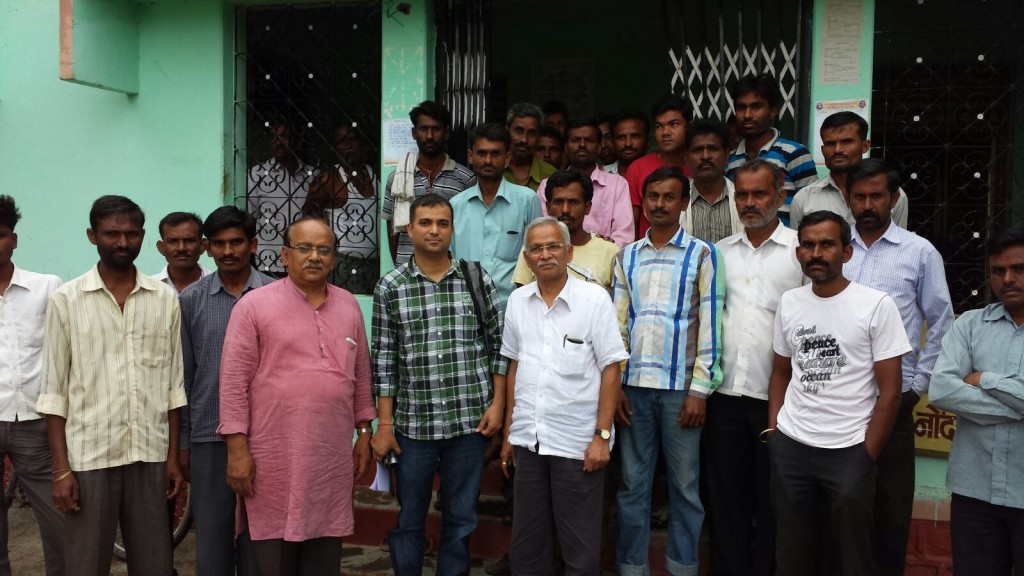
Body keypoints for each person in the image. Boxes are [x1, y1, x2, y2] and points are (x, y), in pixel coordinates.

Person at [38, 195, 187, 576]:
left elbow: (172, 387)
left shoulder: (164, 299)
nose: (122, 243)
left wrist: (172, 457)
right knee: (85, 564)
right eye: (112, 234)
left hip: (149, 455)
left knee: (154, 563)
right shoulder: (66, 300)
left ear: (142, 236)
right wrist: (60, 470)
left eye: (131, 234)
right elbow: (54, 392)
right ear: (92, 236)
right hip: (88, 457)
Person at [218, 216, 376, 576]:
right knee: (273, 559)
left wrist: (364, 434)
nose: (314, 257)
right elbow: (232, 384)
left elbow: (361, 375)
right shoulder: (254, 306)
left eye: (324, 250)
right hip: (272, 459)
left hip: (329, 460)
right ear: (285, 256)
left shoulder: (349, 306)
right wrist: (237, 450)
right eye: (304, 248)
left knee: (323, 553)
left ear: (335, 259)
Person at [766, 210, 911, 575]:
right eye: (808, 245)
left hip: (849, 451)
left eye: (827, 244)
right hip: (793, 447)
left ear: (847, 253)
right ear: (799, 253)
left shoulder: (876, 305)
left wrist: (866, 454)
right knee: (792, 553)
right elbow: (781, 372)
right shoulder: (790, 302)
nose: (817, 252)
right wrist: (774, 434)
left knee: (853, 557)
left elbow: (891, 390)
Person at [371, 194, 507, 576]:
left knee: (462, 519)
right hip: (413, 427)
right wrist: (384, 425)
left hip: (469, 423)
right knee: (409, 518)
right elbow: (383, 360)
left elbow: (499, 348)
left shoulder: (476, 278)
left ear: (452, 229)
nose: (434, 230)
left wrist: (497, 405)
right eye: (426, 223)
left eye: (442, 223)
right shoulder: (391, 287)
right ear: (409, 229)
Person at [842, 158, 953, 575]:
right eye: (859, 196)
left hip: (893, 402)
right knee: (843, 505)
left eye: (876, 196)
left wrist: (916, 387)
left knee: (889, 511)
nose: (867, 204)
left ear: (893, 198)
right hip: (838, 402)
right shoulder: (837, 248)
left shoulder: (919, 252)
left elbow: (941, 321)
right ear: (848, 199)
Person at [500, 216, 629, 575]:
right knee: (527, 548)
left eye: (553, 246)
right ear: (526, 258)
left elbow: (611, 369)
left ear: (569, 252)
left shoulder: (593, 300)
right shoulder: (518, 302)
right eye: (537, 249)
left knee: (580, 549)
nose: (545, 255)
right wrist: (510, 433)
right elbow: (515, 367)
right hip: (529, 441)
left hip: (576, 444)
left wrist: (601, 436)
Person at [614, 166, 723, 576]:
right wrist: (617, 385)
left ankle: (682, 568)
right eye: (653, 196)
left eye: (669, 197)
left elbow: (711, 325)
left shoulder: (702, 254)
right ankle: (631, 568)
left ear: (683, 202)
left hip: (681, 391)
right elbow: (618, 325)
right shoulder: (627, 256)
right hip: (634, 390)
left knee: (685, 489)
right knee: (632, 487)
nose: (660, 204)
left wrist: (699, 390)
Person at [707, 160, 805, 576]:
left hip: (779, 403)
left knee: (774, 504)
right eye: (742, 195)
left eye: (759, 194)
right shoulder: (719, 253)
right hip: (724, 398)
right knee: (725, 503)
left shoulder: (802, 251)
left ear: (780, 197)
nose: (749, 203)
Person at [178, 206, 275, 576]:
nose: (228, 251)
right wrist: (184, 442)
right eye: (219, 244)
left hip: (267, 435)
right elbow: (185, 378)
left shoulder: (277, 294)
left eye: (237, 242)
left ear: (253, 245)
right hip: (209, 435)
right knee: (213, 542)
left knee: (261, 540)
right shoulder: (191, 300)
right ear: (207, 248)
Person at [929, 229, 1024, 576]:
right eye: (998, 271)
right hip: (974, 493)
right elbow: (941, 389)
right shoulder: (969, 325)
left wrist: (985, 379)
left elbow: (961, 390)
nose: (1007, 279)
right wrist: (1016, 406)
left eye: (1019, 269)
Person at [0, 195, 64, 576]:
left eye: (1, 234)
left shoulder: (47, 288)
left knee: (57, 516)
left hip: (37, 423)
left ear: (14, 239)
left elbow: (66, 350)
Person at [450, 123, 542, 309]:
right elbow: (449, 260)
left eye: (495, 154)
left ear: (507, 158)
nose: (488, 160)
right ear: (470, 156)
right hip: (465, 308)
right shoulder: (455, 205)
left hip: (514, 308)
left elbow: (538, 256)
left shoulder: (527, 200)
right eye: (482, 153)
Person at [382, 101, 474, 266]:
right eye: (424, 129)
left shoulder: (465, 178)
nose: (430, 136)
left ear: (446, 133)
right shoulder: (396, 178)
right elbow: (392, 230)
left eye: (436, 129)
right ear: (414, 133)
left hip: (450, 270)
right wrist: (400, 266)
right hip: (407, 271)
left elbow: (467, 231)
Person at [725, 74, 816, 226]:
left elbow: (812, 209)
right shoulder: (730, 161)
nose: (747, 115)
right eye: (741, 108)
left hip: (789, 246)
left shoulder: (794, 154)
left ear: (773, 111)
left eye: (756, 107)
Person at [790, 112, 909, 229]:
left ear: (865, 146)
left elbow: (897, 243)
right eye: (830, 143)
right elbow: (801, 246)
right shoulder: (804, 199)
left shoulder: (892, 195)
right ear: (822, 150)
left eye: (847, 142)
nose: (838, 150)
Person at [303, 123, 381, 294]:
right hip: (344, 263)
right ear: (335, 147)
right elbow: (309, 216)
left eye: (353, 139)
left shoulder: (376, 174)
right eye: (341, 141)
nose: (347, 146)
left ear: (363, 143)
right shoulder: (329, 178)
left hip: (376, 263)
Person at [512, 169, 619, 290]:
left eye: (573, 202)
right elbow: (522, 298)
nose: (565, 210)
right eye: (558, 202)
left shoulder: (610, 252)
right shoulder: (534, 248)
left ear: (587, 207)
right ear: (548, 207)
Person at [537, 119, 634, 247]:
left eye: (589, 140)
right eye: (575, 140)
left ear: (599, 147)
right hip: (559, 259)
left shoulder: (617, 185)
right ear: (565, 147)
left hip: (604, 262)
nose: (582, 145)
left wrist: (599, 253)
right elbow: (543, 231)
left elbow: (624, 236)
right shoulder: (547, 185)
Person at [247, 122, 318, 274]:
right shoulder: (257, 174)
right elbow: (251, 217)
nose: (277, 142)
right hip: (268, 259)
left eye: (284, 136)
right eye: (273, 137)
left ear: (298, 142)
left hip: (305, 259)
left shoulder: (312, 175)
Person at [624, 95, 694, 240]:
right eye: (659, 126)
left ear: (689, 126)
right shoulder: (638, 168)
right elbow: (630, 227)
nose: (665, 132)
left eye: (673, 124)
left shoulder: (698, 168)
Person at [681, 118, 743, 243]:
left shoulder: (743, 199)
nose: (705, 156)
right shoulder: (676, 201)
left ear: (726, 156)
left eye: (713, 148)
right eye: (697, 150)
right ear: (686, 158)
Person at [504, 103, 558, 191]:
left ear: (539, 137)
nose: (524, 140)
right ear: (507, 130)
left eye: (532, 133)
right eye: (519, 131)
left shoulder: (551, 175)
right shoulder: (494, 168)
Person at [152, 212, 210, 294]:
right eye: (173, 241)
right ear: (161, 247)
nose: (181, 248)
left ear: (202, 246)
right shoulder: (149, 289)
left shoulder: (220, 286)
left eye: (189, 241)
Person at [611, 109, 650, 178]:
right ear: (612, 142)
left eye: (635, 136)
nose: (628, 143)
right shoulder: (600, 175)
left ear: (648, 141)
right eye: (621, 137)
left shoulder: (660, 174)